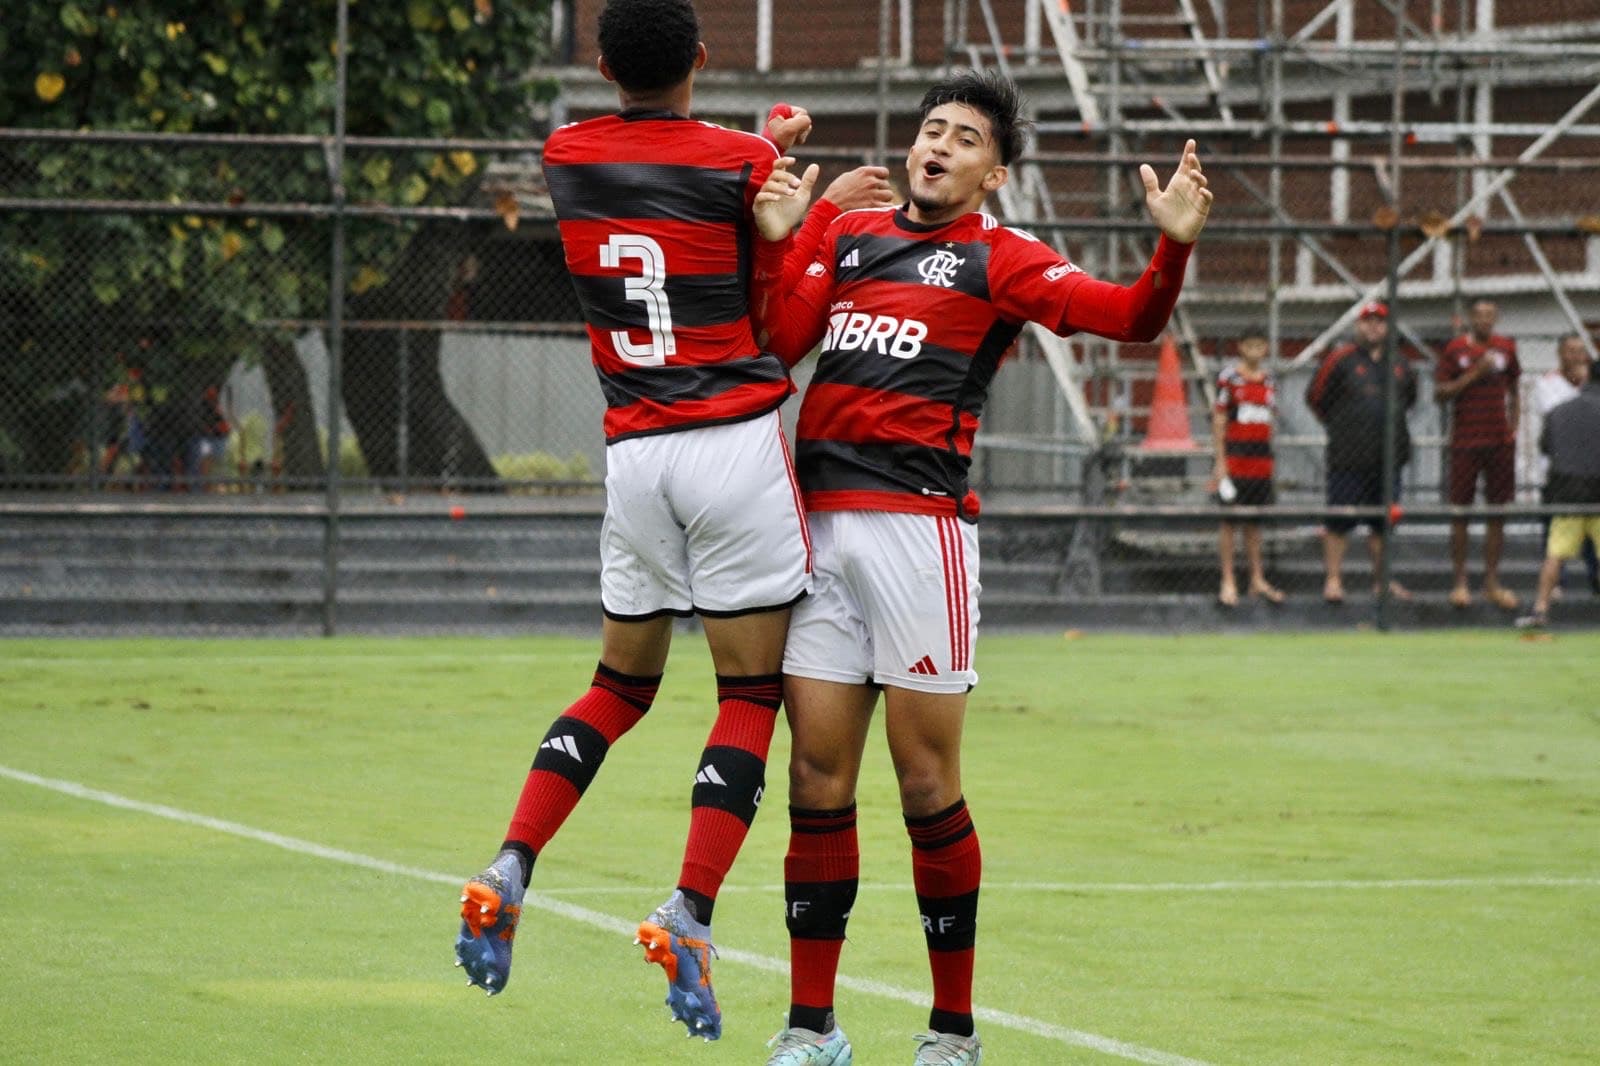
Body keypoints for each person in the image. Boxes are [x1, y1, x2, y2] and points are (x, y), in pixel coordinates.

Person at [451, 0, 893, 1044]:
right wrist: (810, 201)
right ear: (701, 55)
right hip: (732, 442)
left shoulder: (564, 154)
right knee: (747, 692)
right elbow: (776, 293)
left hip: (635, 453)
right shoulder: (741, 161)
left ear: (600, 66)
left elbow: (668, 177)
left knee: (617, 685)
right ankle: (688, 908)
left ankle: (510, 860)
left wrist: (759, 161)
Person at [749, 69, 1210, 1065]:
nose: (938, 145)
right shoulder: (849, 236)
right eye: (929, 130)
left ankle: (950, 1030)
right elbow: (779, 340)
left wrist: (1169, 247)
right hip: (818, 531)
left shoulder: (1001, 258)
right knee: (816, 775)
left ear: (994, 172)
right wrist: (792, 232)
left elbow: (1130, 318)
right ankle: (809, 1027)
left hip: (921, 537)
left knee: (924, 784)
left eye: (963, 137)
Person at [1304, 301, 1418, 603]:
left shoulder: (1400, 362)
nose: (1373, 327)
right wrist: (1344, 426)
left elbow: (1410, 399)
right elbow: (1315, 398)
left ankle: (1381, 581)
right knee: (1339, 519)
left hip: (1388, 458)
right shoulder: (1340, 359)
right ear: (1358, 325)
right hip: (1348, 458)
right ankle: (1333, 580)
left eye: (1379, 322)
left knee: (1382, 523)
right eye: (1367, 321)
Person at [1435, 298, 1521, 610]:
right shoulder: (1455, 350)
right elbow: (1440, 393)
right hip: (1465, 442)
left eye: (1490, 315)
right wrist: (1474, 374)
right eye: (1479, 314)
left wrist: (1513, 430)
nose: (1485, 320)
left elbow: (1514, 389)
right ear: (1469, 318)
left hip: (1498, 443)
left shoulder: (1506, 348)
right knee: (1461, 513)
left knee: (1497, 512)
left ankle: (1492, 582)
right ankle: (1460, 582)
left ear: (1496, 318)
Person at [1515, 373, 1600, 628]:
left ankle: (1540, 610)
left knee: (1555, 554)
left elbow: (1545, 447)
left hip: (1567, 494)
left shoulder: (1559, 411)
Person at [1209, 328, 1285, 607]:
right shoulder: (1229, 379)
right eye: (1249, 345)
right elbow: (1219, 421)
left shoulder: (1270, 382)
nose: (1254, 350)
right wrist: (1220, 464)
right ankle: (1227, 580)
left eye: (1260, 345)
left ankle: (1257, 578)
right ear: (1240, 347)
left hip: (1261, 464)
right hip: (1235, 462)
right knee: (1229, 522)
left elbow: (1270, 424)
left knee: (1254, 523)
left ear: (1266, 348)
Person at [1530, 333, 1599, 596]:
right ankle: (1557, 585)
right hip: (1560, 473)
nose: (1576, 357)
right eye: (1570, 351)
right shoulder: (1547, 383)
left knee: (1593, 537)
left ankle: (1594, 581)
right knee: (1555, 537)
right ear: (1560, 354)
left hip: (1592, 473)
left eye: (1581, 351)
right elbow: (1562, 417)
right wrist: (1585, 391)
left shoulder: (1590, 387)